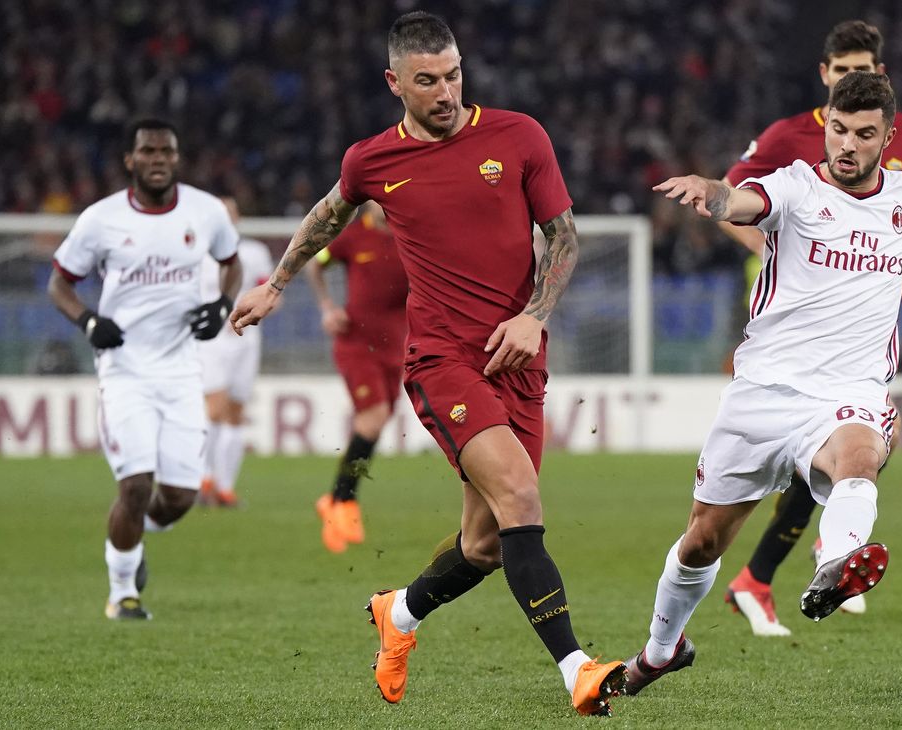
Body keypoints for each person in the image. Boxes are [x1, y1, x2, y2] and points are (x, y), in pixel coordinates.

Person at [229, 11, 626, 716]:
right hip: (444, 362)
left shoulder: (519, 136)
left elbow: (563, 237)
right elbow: (328, 213)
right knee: (524, 504)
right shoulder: (372, 161)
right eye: (427, 82)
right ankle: (577, 669)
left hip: (520, 360)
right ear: (395, 83)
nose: (445, 93)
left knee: (486, 543)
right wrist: (279, 283)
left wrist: (534, 317)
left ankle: (398, 615)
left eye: (453, 76)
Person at [622, 72, 902, 696]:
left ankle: (836, 561)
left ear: (887, 138)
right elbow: (746, 202)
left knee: (861, 454)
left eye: (864, 135)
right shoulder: (798, 187)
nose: (847, 144)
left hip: (848, 391)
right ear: (826, 124)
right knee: (701, 541)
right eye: (838, 129)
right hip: (763, 393)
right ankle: (660, 650)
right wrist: (715, 195)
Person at [719, 20, 902, 637]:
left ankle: (785, 567)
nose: (850, 80)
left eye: (861, 69)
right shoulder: (788, 137)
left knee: (849, 451)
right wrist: (764, 245)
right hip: (791, 318)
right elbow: (736, 198)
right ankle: (788, 564)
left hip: (864, 326)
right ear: (824, 74)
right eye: (840, 71)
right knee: (827, 452)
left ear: (881, 73)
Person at [48, 119, 241, 620]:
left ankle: (134, 535)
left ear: (176, 159)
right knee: (134, 485)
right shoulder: (100, 220)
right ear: (130, 161)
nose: (157, 159)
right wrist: (88, 321)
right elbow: (59, 284)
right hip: (124, 371)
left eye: (166, 151)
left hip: (180, 372)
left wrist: (221, 305)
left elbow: (232, 262)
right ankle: (122, 594)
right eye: (147, 151)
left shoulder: (206, 212)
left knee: (177, 498)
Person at [305, 201, 408, 552]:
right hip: (356, 344)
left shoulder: (413, 232)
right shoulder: (352, 236)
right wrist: (327, 308)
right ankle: (341, 501)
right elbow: (315, 265)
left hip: (397, 346)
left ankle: (337, 501)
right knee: (373, 418)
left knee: (377, 423)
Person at [198, 196, 275, 507]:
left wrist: (260, 308)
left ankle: (225, 488)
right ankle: (204, 481)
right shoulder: (197, 254)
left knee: (235, 413)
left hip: (247, 337)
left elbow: (269, 290)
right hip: (213, 338)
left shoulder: (254, 252)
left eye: (230, 213)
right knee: (214, 408)